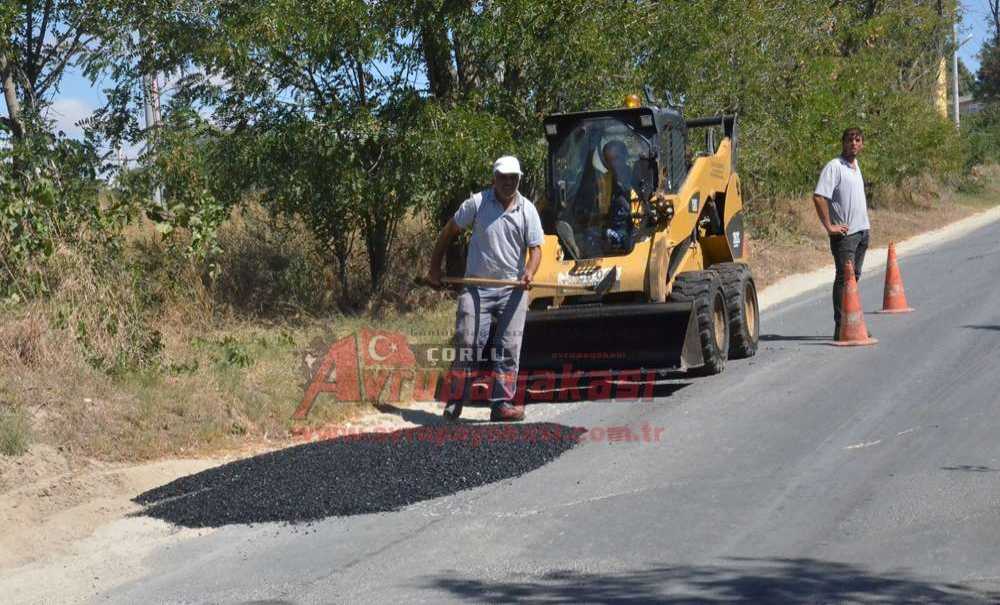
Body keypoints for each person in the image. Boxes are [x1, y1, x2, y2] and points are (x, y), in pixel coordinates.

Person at [427, 155, 544, 422]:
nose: (508, 182)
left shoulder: (527, 210)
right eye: (503, 177)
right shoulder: (477, 203)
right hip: (476, 287)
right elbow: (449, 231)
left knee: (509, 347)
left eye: (513, 178)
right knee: (468, 342)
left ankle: (501, 404)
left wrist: (529, 272)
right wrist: (434, 268)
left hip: (513, 289)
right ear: (494, 178)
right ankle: (456, 398)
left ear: (519, 179)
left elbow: (536, 249)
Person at [813, 127, 871, 338]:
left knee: (854, 278)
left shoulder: (855, 166)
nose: (853, 143)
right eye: (849, 140)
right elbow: (819, 196)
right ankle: (841, 327)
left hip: (862, 232)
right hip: (845, 236)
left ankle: (852, 322)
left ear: (862, 144)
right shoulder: (834, 166)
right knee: (844, 278)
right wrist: (830, 226)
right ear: (843, 143)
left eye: (857, 140)